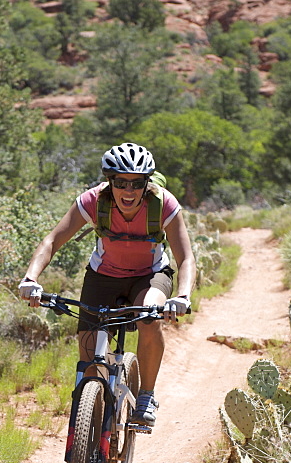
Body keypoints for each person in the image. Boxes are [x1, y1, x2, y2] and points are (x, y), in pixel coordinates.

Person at [18, 142, 196, 426]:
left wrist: (183, 296)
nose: (129, 191)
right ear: (109, 181)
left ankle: (146, 396)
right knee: (91, 364)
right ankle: (93, 426)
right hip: (103, 277)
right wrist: (30, 278)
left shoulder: (164, 205)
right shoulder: (93, 201)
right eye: (121, 182)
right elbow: (52, 241)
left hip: (149, 275)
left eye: (137, 183)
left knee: (148, 315)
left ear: (146, 183)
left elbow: (186, 258)